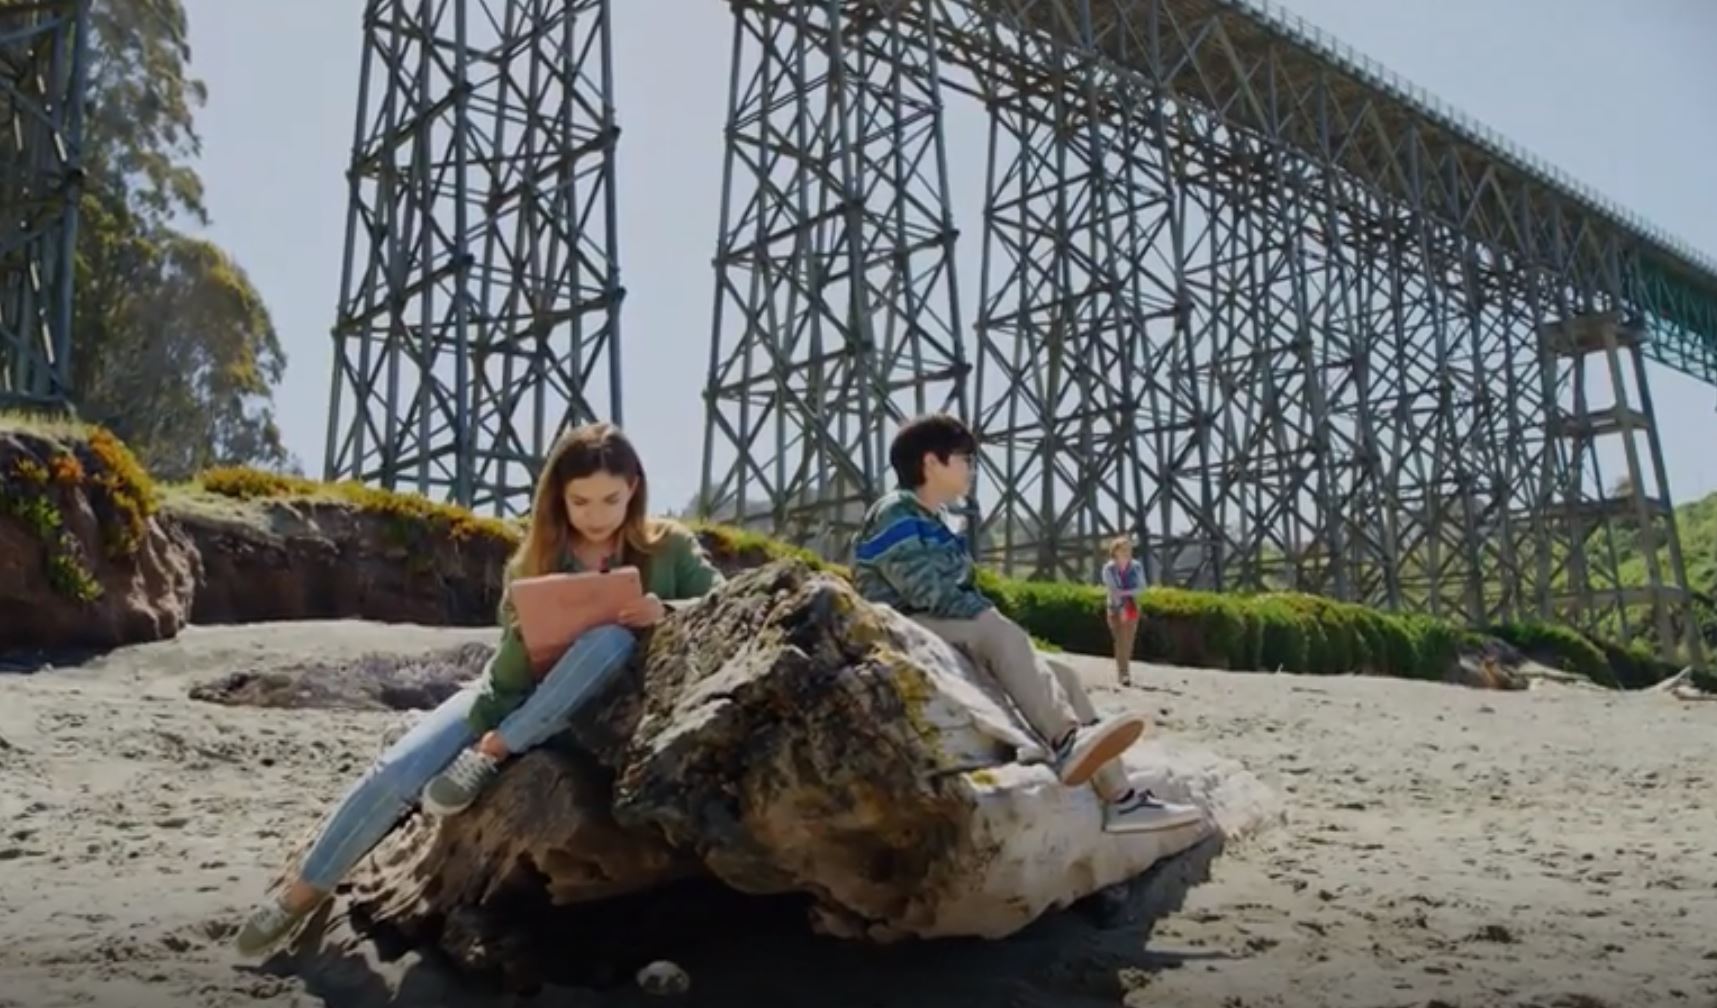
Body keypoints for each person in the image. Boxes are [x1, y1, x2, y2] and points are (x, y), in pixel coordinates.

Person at [233, 422, 725, 955]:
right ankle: (299, 895)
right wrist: (522, 636)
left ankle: (495, 750)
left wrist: (667, 609)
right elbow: (507, 670)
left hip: (602, 713)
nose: (598, 514)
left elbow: (731, 604)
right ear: (559, 499)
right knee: (398, 769)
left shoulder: (669, 547)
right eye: (581, 502)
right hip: (516, 694)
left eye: (610, 498)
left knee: (609, 640)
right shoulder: (534, 559)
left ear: (634, 487)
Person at [850, 413, 1203, 835]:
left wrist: (987, 619)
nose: (972, 468)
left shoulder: (933, 521)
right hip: (899, 628)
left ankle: (1122, 799)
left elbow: (951, 598)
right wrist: (989, 619)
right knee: (997, 631)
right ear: (932, 462)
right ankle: (1066, 741)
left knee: (1064, 675)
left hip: (936, 626)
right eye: (965, 457)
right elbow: (930, 593)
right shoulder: (896, 512)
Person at [1100, 536, 1147, 686]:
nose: (1127, 552)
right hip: (1114, 607)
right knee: (1119, 639)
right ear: (1116, 551)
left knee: (1128, 640)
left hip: (1132, 606)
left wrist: (1125, 593)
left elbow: (1141, 588)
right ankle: (1123, 673)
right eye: (1124, 549)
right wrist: (1121, 606)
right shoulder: (1109, 568)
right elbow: (1113, 591)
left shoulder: (1136, 566)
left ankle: (1124, 672)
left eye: (1129, 549)